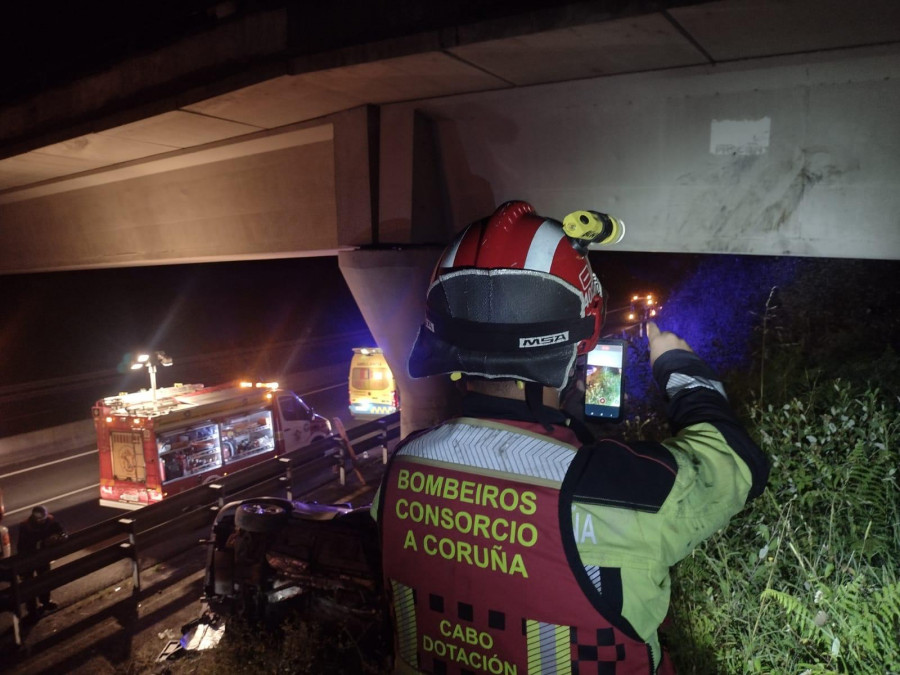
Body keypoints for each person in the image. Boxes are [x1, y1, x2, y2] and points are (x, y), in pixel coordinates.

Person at [373, 201, 769, 674]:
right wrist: (680, 368)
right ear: (582, 333)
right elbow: (734, 461)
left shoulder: (401, 467)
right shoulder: (613, 488)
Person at [18, 505, 67, 616]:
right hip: (28, 559)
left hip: (43, 558)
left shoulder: (50, 522)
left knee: (45, 579)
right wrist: (42, 543)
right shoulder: (25, 526)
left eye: (42, 519)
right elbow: (22, 546)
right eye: (38, 519)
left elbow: (62, 531)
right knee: (29, 584)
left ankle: (45, 602)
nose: (41, 521)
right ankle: (32, 609)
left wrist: (60, 536)